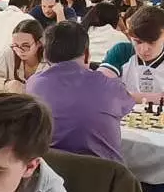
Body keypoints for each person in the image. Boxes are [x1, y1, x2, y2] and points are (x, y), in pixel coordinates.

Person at [27, 22, 133, 162]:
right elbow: (127, 109)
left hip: (50, 170)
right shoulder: (109, 85)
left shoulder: (33, 84)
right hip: (106, 173)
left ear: (45, 55)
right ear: (87, 54)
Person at [0, 19, 46, 93]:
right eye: (15, 45)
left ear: (39, 43)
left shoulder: (49, 61)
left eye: (25, 46)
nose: (19, 51)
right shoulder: (9, 54)